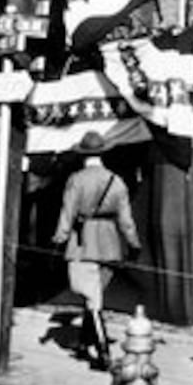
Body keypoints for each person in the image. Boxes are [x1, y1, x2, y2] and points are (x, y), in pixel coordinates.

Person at [51, 131, 141, 369]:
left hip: (84, 242)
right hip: (110, 244)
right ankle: (83, 345)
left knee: (92, 300)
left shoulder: (76, 180)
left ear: (83, 155)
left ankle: (103, 353)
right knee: (94, 297)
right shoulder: (116, 181)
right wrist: (133, 243)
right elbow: (126, 220)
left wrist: (59, 238)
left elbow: (67, 214)